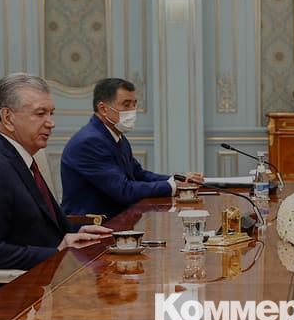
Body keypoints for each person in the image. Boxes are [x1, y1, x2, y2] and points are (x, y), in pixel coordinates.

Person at [0, 73, 112, 309]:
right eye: (40, 113)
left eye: (51, 113)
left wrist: (77, 231)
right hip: (4, 299)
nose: (51, 122)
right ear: (8, 117)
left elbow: (36, 224)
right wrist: (57, 251)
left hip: (40, 284)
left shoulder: (19, 158)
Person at [60, 78, 203, 218]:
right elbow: (123, 190)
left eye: (134, 104)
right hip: (92, 224)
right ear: (103, 109)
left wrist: (178, 180)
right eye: (126, 105)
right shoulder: (90, 142)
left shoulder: (115, 136)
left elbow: (138, 174)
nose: (133, 110)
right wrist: (171, 186)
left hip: (118, 218)